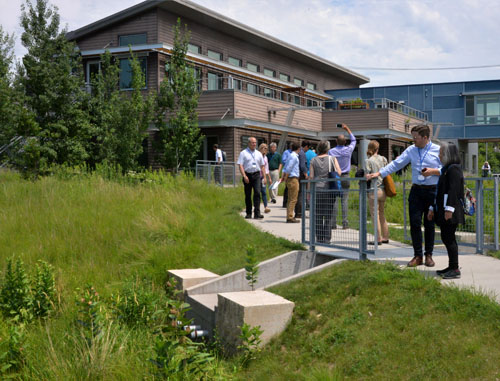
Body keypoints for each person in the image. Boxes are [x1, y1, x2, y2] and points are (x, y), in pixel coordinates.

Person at [366, 125, 442, 267]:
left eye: (416, 138)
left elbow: (447, 168)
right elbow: (396, 164)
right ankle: (418, 255)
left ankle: (429, 255)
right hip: (416, 191)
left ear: (425, 138)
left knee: (429, 224)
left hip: (432, 191)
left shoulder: (437, 150)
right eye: (412, 137)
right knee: (414, 223)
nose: (413, 140)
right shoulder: (411, 150)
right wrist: (380, 173)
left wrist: (433, 171)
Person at [427, 142, 465, 279]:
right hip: (444, 209)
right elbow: (439, 191)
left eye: (441, 153)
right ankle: (451, 266)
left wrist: (449, 209)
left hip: (450, 211)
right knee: (447, 237)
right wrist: (432, 208)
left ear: (448, 154)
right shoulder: (446, 169)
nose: (439, 155)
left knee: (449, 238)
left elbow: (453, 190)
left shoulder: (454, 169)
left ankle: (454, 269)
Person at [310, 140, 341, 242]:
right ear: (328, 149)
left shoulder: (313, 160)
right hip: (329, 189)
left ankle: (319, 238)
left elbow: (311, 176)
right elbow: (339, 172)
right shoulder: (332, 159)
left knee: (318, 214)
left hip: (317, 190)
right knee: (328, 214)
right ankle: (327, 238)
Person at [328, 124, 356, 229]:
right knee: (344, 201)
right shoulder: (348, 150)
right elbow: (354, 140)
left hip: (335, 176)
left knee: (334, 200)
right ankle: (345, 223)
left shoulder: (331, 151)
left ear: (336, 141)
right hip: (346, 176)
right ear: (345, 142)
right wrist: (347, 128)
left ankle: (333, 223)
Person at [365, 140, 389, 245]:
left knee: (375, 216)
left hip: (374, 190)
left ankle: (378, 238)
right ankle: (385, 237)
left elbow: (367, 177)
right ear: (377, 149)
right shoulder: (383, 159)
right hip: (383, 190)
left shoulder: (368, 161)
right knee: (382, 214)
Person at [237, 137, 266, 219]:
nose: (254, 144)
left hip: (257, 175)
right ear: (249, 143)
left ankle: (257, 213)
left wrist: (264, 177)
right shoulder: (243, 153)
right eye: (253, 143)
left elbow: (262, 166)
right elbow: (240, 165)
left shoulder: (258, 153)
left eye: (255, 143)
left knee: (257, 192)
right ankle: (248, 213)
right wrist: (244, 176)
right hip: (247, 175)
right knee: (248, 194)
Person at [280, 142, 301, 223]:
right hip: (293, 178)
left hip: (290, 178)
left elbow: (285, 168)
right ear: (298, 148)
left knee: (290, 198)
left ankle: (289, 215)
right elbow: (289, 168)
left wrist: (283, 176)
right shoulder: (294, 157)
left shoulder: (290, 155)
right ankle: (290, 217)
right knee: (293, 199)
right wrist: (286, 177)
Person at [295, 141, 309, 218]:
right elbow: (302, 165)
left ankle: (297, 212)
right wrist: (305, 173)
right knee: (301, 194)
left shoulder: (297, 153)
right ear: (306, 146)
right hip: (301, 175)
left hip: (297, 175)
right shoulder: (302, 153)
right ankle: (299, 213)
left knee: (297, 194)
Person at [259, 143, 272, 213]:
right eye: (263, 148)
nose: (264, 149)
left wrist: (269, 178)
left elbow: (266, 169)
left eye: (266, 148)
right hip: (257, 176)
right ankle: (256, 207)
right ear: (260, 149)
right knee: (257, 192)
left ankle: (266, 206)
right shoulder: (257, 156)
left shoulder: (266, 158)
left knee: (263, 191)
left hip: (262, 177)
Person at [281, 143, 293, 208]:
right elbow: (283, 160)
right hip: (287, 171)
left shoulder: (294, 153)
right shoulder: (286, 152)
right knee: (287, 188)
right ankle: (285, 203)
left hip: (292, 171)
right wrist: (289, 162)